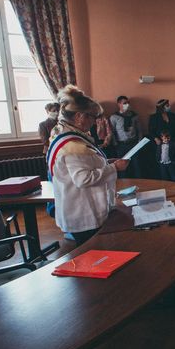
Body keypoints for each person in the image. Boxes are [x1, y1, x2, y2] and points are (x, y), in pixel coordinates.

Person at [48, 85, 129, 246]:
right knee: (95, 255)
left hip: (81, 207)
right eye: (93, 116)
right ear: (79, 116)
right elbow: (83, 179)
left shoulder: (63, 133)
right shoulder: (72, 144)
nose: (95, 121)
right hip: (83, 212)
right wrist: (114, 168)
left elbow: (86, 164)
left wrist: (106, 162)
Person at [109, 95, 141, 178]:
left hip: (133, 143)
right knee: (122, 166)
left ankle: (140, 183)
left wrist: (139, 142)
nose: (127, 105)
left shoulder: (134, 116)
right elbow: (112, 131)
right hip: (121, 144)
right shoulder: (114, 117)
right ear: (119, 104)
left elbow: (139, 129)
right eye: (124, 103)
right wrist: (115, 143)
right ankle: (124, 184)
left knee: (137, 165)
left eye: (128, 103)